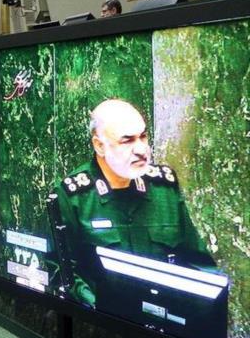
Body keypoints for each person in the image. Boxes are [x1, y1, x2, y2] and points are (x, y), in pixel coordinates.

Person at [47, 99, 216, 308]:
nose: (141, 149)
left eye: (143, 136)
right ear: (99, 145)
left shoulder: (165, 188)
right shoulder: (73, 196)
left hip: (165, 320)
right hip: (102, 324)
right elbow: (62, 271)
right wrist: (98, 308)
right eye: (127, 141)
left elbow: (199, 262)